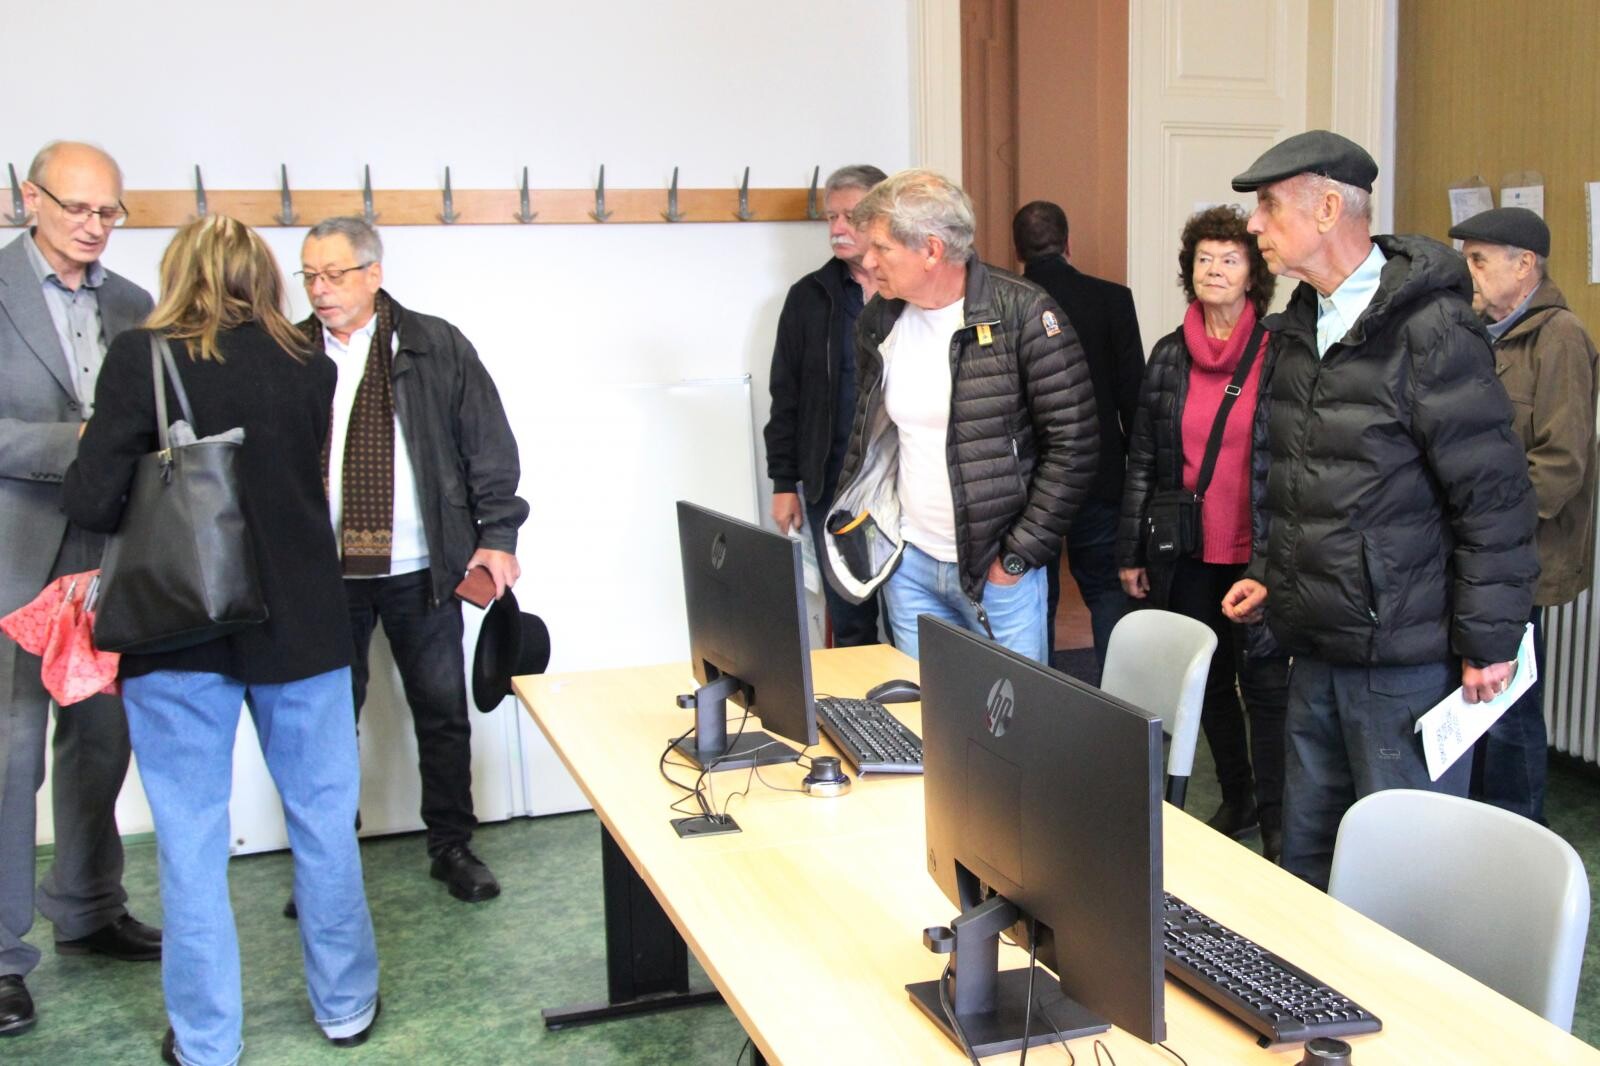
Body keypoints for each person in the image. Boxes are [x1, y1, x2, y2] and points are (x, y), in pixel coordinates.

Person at [63, 216, 381, 1065]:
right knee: (324, 824)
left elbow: (92, 500)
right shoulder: (311, 362)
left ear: (179, 273)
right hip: (304, 626)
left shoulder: (142, 357)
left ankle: (207, 1041)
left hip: (178, 628)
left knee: (192, 840)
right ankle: (346, 1006)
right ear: (264, 275)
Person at [1220, 131, 1538, 890]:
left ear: (1329, 209)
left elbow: (1493, 497)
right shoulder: (1299, 323)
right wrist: (1272, 570)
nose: (1254, 225)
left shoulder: (1432, 330)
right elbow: (1305, 477)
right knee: (1307, 859)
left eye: (1269, 206)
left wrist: (1490, 640)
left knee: (1403, 878)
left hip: (1402, 661)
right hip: (1314, 647)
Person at [297, 217, 528, 904]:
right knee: (323, 721)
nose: (319, 289)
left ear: (373, 273)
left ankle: (451, 846)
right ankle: (328, 859)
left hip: (424, 567)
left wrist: (499, 535)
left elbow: (488, 443)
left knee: (441, 712)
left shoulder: (434, 344)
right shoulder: (289, 350)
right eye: (308, 276)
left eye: (334, 274)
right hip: (322, 573)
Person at [0, 141, 160, 1039]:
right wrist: (82, 443)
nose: (95, 226)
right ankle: (0, 955)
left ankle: (90, 909)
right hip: (13, 558)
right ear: (31, 198)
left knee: (101, 739)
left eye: (109, 212)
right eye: (78, 208)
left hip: (110, 557)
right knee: (9, 755)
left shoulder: (136, 305)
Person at [822, 169, 1098, 662]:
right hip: (910, 568)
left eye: (881, 248)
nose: (868, 260)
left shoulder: (1025, 315)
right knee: (924, 706)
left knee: (1012, 710)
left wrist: (1015, 558)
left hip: (999, 574)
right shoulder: (880, 319)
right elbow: (873, 439)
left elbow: (1074, 448)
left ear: (931, 250)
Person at [1118, 206, 1290, 859]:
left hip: (1258, 552)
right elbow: (1143, 458)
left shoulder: (1279, 353)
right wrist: (1132, 549)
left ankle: (1279, 824)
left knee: (1265, 686)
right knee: (1209, 681)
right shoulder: (1169, 355)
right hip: (1187, 549)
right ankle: (1238, 797)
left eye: (1230, 259)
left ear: (1253, 274)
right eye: (1204, 259)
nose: (1214, 270)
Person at [1449, 207, 1599, 823]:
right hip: (1480, 551)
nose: (1470, 272)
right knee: (1480, 703)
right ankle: (1481, 829)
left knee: (1509, 710)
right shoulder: (1481, 332)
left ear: (1524, 265)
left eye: (1480, 259)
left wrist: (1489, 527)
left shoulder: (1559, 337)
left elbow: (1562, 463)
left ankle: (1517, 835)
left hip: (1520, 555)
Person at [1013, 200, 1144, 664]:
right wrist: (1140, 479)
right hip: (1099, 472)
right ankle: (1117, 697)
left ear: (1017, 253)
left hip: (1028, 481)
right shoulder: (1113, 300)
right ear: (1068, 244)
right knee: (1107, 593)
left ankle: (1038, 696)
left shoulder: (1007, 305)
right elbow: (1134, 397)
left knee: (1034, 597)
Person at [764, 164, 888, 646]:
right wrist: (784, 483)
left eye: (850, 216)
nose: (837, 228)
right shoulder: (808, 297)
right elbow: (786, 395)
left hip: (906, 488)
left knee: (913, 621)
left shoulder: (914, 293)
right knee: (851, 624)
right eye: (830, 217)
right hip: (832, 489)